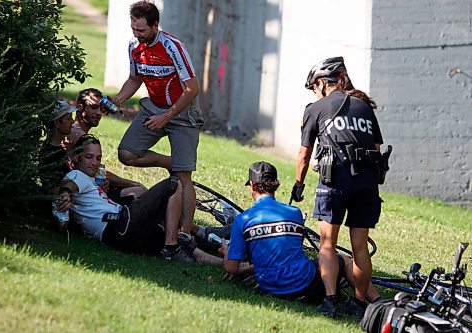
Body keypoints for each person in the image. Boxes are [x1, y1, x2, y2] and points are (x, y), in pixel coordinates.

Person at [221, 161, 381, 315]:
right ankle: (376, 301)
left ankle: (365, 301)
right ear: (275, 184)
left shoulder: (242, 220)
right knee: (345, 260)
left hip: (269, 287)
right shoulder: (294, 213)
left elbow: (230, 268)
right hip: (306, 285)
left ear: (252, 185)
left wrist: (227, 253)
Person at [291, 57, 384, 317]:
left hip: (335, 180)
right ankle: (358, 304)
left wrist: (299, 184)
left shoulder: (316, 109)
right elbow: (376, 149)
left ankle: (331, 301)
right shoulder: (365, 107)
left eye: (313, 87)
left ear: (321, 83)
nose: (314, 93)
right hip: (366, 182)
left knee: (327, 244)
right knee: (360, 247)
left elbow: (303, 155)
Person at [111, 1, 204, 244]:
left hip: (182, 113)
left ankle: (184, 233)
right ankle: (171, 163)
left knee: (184, 177)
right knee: (127, 153)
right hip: (154, 107)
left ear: (155, 25)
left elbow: (192, 89)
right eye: (133, 29)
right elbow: (135, 78)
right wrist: (119, 99)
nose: (136, 34)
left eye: (141, 30)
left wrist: (166, 117)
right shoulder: (134, 46)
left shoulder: (173, 47)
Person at [56, 134, 221, 265]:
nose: (95, 163)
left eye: (98, 158)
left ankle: (224, 260)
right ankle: (174, 246)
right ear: (77, 157)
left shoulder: (92, 181)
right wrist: (64, 192)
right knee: (174, 183)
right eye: (89, 157)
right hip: (119, 225)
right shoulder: (77, 175)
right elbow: (70, 184)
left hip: (123, 236)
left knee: (186, 248)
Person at [67, 88, 147, 203]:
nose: (99, 113)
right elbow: (98, 172)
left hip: (85, 188)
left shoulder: (76, 131)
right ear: (80, 107)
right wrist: (133, 183)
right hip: (81, 195)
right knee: (139, 192)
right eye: (94, 107)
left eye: (101, 108)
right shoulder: (78, 135)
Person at [39, 100, 76, 195]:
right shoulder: (51, 155)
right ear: (57, 123)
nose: (72, 121)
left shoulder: (59, 148)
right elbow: (55, 192)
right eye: (68, 119)